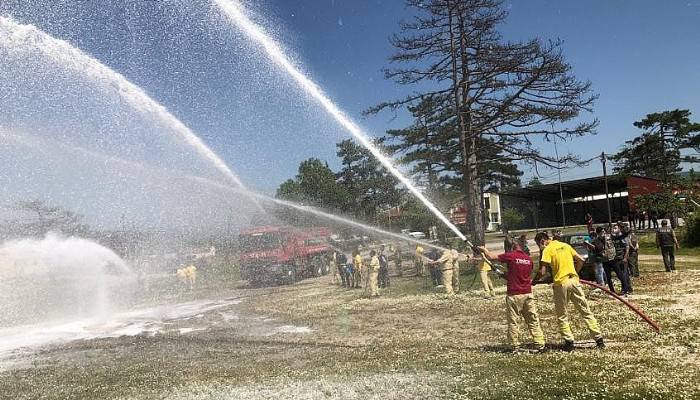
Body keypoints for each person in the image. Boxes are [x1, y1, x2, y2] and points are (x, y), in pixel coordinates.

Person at [535, 231, 604, 352]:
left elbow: (542, 271)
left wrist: (534, 281)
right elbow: (581, 260)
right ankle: (599, 339)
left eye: (538, 245)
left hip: (561, 284)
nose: (540, 247)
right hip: (574, 281)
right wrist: (575, 272)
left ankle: (569, 341)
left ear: (542, 241)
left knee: (562, 314)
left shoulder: (547, 249)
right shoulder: (566, 246)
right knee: (585, 311)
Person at [479, 242, 545, 352]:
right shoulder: (528, 259)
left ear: (511, 247)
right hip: (527, 293)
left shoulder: (511, 255)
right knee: (533, 320)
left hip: (514, 295)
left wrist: (484, 250)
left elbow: (491, 257)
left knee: (514, 321)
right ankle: (540, 343)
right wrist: (502, 273)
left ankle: (514, 345)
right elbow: (519, 276)